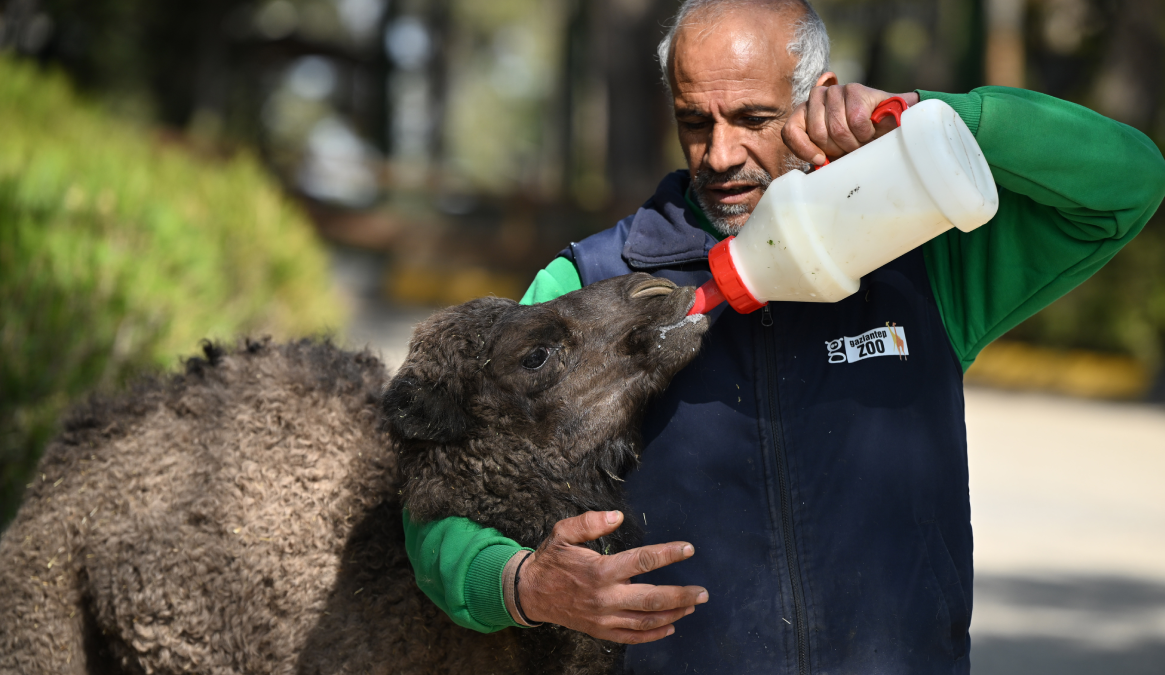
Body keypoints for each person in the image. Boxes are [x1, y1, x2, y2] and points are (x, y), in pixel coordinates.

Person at [403, 0, 1165, 672]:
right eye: (694, 121)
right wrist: (522, 584)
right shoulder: (583, 289)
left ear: (821, 101)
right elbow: (435, 512)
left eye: (754, 120)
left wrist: (934, 118)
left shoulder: (924, 258)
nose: (722, 154)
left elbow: (1127, 184)